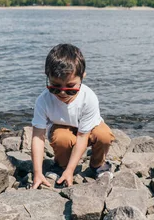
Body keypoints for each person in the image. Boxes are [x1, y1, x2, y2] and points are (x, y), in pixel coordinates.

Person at [30, 43, 115, 189]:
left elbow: (82, 137)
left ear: (82, 77)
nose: (62, 93)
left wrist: (71, 171)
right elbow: (38, 137)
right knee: (62, 138)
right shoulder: (43, 100)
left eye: (70, 88)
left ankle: (97, 164)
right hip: (62, 126)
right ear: (47, 77)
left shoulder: (89, 98)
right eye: (55, 87)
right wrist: (37, 172)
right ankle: (62, 165)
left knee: (104, 135)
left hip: (88, 128)